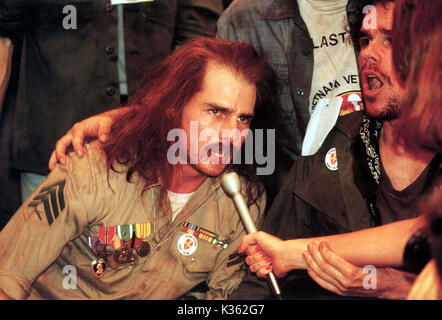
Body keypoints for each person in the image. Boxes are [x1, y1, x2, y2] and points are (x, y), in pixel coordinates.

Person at [0, 37, 279, 300]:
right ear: (173, 106)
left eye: (243, 119)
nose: (232, 135)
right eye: (216, 112)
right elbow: (6, 279)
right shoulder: (94, 171)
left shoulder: (240, 202)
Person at [47, 0, 373, 210]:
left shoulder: (399, 12)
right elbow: (206, 94)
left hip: (388, 208)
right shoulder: (245, 18)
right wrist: (130, 118)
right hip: (287, 216)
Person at [237, 0, 441, 299]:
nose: (368, 52)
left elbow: (425, 232)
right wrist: (288, 253)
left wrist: (386, 286)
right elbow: (260, 282)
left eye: (391, 39)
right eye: (365, 40)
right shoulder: (335, 144)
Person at [0, 0, 224, 230]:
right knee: (40, 253)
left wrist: (158, 106)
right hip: (53, 140)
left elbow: (199, 39)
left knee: (133, 255)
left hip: (148, 144)